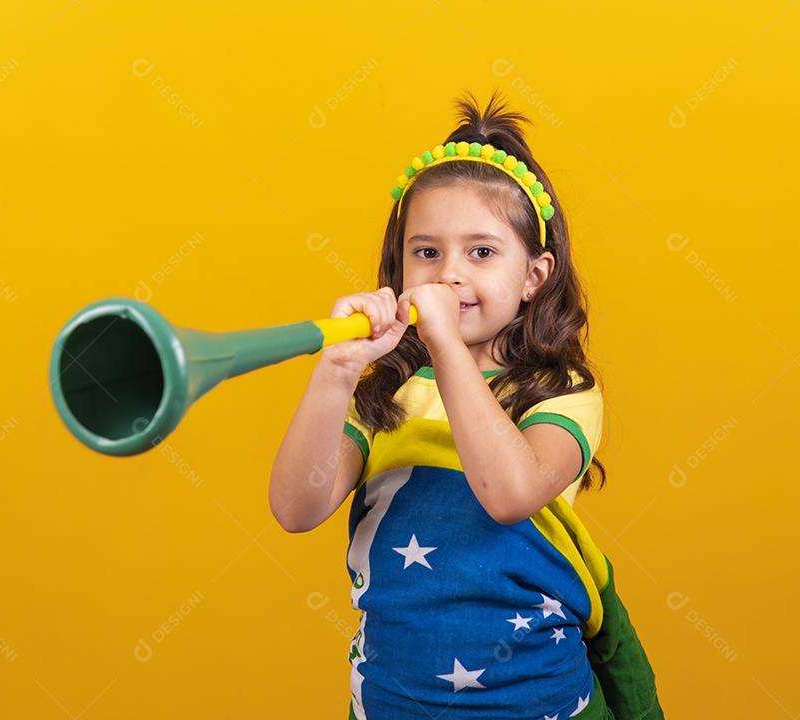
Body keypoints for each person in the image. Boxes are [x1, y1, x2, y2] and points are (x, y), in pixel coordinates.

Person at [269, 91, 663, 720]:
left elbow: (510, 494)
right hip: (397, 702)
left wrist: (444, 343)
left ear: (533, 276)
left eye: (481, 252)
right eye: (426, 252)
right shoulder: (384, 395)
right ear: (401, 267)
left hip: (538, 703)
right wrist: (336, 374)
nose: (449, 274)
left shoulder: (563, 391)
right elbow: (295, 508)